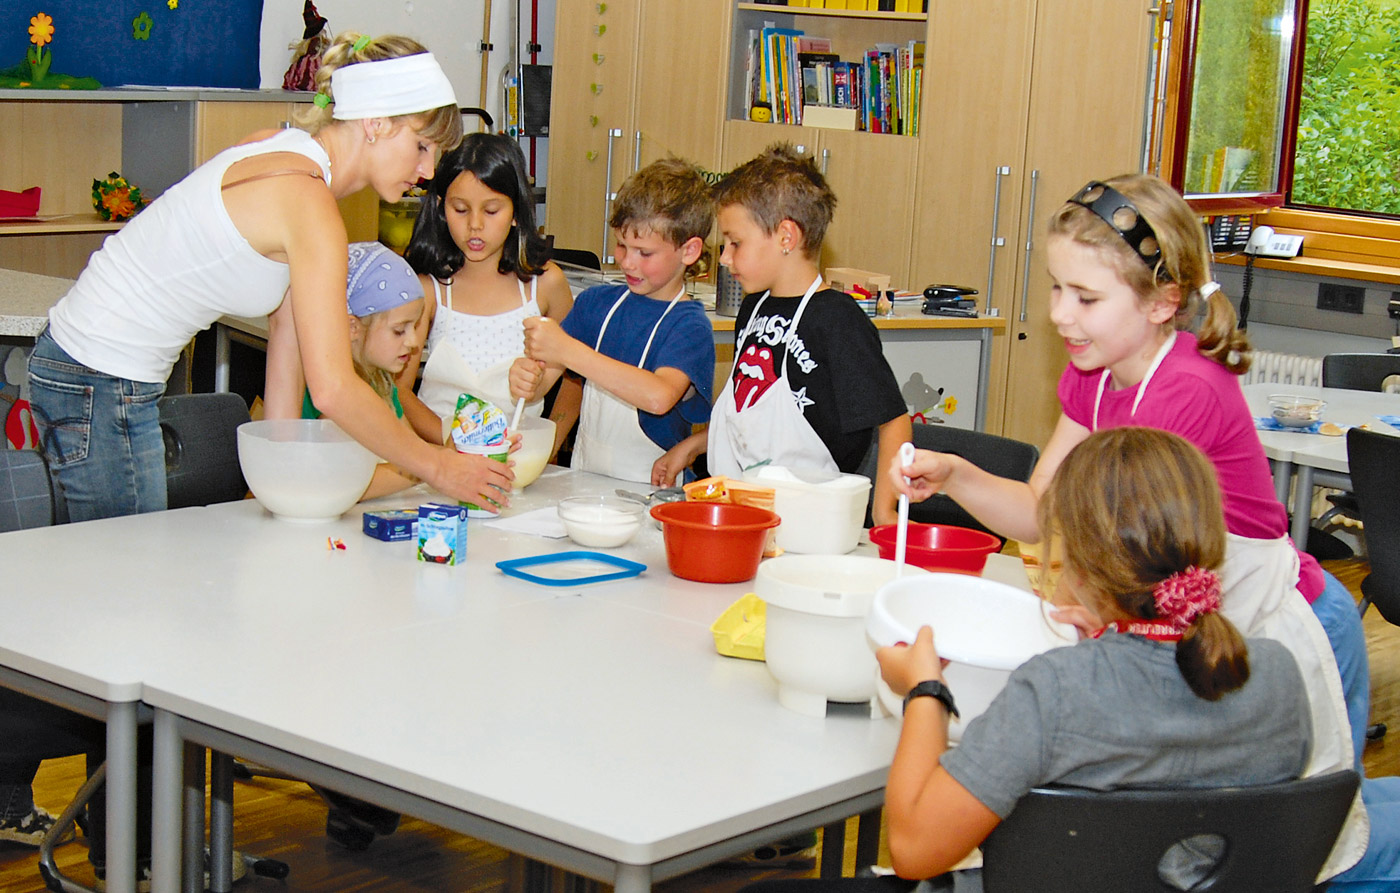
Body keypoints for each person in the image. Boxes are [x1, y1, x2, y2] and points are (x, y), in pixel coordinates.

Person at [891, 173, 1389, 885]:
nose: (1060, 315)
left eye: (1086, 297)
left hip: (1279, 629)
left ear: (1162, 302)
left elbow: (1118, 543)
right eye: (1056, 288)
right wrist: (957, 476)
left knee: (1304, 855)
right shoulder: (1094, 375)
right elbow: (1045, 511)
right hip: (1191, 630)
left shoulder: (1185, 391)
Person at [29, 31, 513, 521]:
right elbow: (332, 389)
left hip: (88, 368)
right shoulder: (308, 201)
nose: (427, 170)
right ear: (375, 122)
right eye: (422, 146)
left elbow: (288, 330)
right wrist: (437, 466)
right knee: (124, 562)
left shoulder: (284, 152)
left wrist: (285, 480)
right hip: (100, 376)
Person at [871, 427, 1313, 890]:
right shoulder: (1279, 673)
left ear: (1079, 562)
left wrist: (925, 690)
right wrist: (1108, 642)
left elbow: (913, 850)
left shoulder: (1055, 690)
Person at [655, 144, 910, 525]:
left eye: (735, 243)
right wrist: (693, 446)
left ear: (786, 236)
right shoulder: (753, 308)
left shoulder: (837, 320)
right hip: (745, 512)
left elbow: (894, 420)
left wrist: (884, 511)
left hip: (811, 521)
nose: (724, 257)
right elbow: (751, 415)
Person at [511, 157, 716, 485]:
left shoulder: (689, 326)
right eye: (622, 245)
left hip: (650, 491)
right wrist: (527, 380)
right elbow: (543, 382)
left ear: (689, 251)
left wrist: (568, 351)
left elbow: (658, 396)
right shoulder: (595, 304)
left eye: (644, 252)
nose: (628, 262)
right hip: (583, 482)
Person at [400, 132, 573, 452]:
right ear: (440, 208)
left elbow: (575, 377)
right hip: (443, 459)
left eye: (491, 211)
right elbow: (398, 391)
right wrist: (450, 441)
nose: (475, 225)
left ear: (516, 212)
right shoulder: (429, 289)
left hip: (520, 460)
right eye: (460, 210)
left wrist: (548, 447)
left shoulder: (546, 285)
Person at [268, 240, 425, 500]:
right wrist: (430, 468)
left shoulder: (380, 382)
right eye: (399, 330)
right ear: (352, 327)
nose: (414, 341)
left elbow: (410, 447)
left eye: (415, 326)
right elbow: (341, 485)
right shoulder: (326, 392)